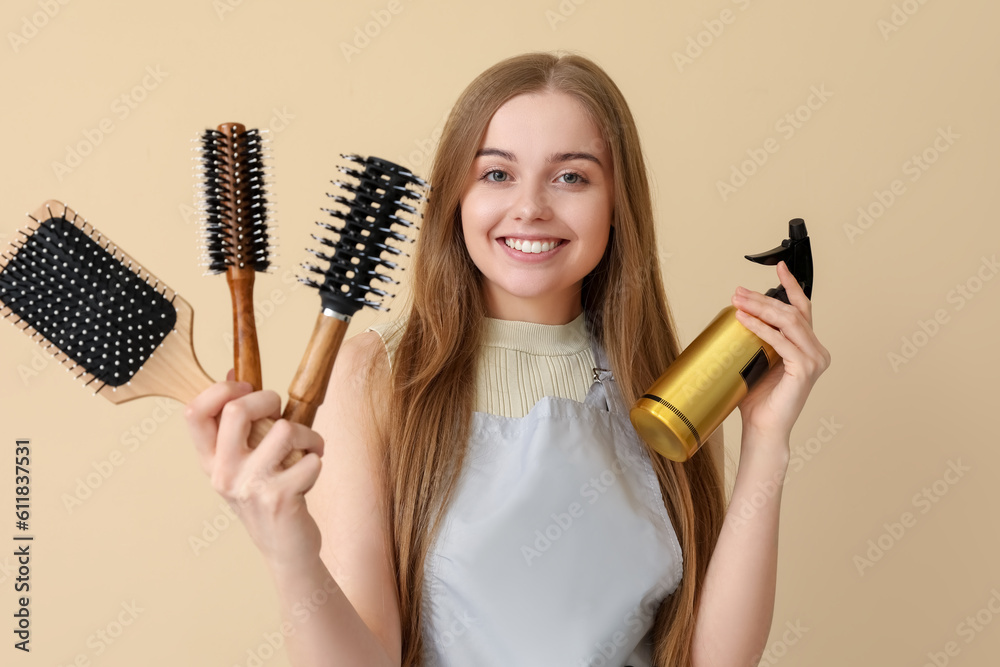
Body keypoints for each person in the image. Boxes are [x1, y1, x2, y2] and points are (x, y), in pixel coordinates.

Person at [185, 51, 830, 667]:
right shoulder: (375, 375)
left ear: (617, 205)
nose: (529, 207)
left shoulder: (672, 387)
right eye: (496, 173)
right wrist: (288, 547)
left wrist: (766, 440)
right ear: (457, 200)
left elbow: (711, 660)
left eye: (571, 176)